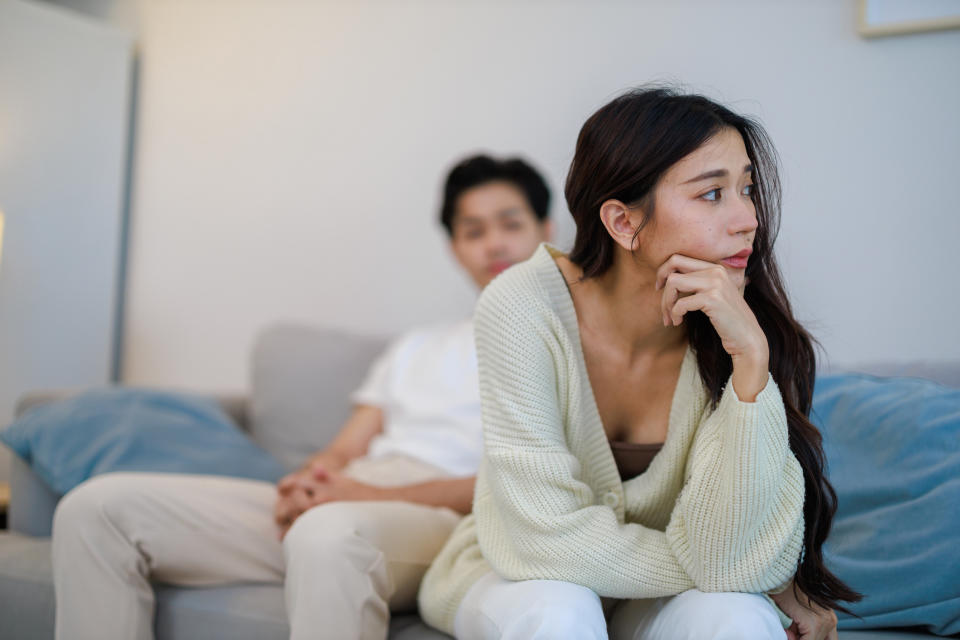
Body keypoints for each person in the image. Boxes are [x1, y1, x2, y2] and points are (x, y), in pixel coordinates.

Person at [418, 88, 862, 640]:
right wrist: (734, 570)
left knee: (738, 617)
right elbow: (542, 534)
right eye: (712, 194)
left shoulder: (745, 328)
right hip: (520, 579)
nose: (748, 218)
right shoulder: (520, 306)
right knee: (563, 612)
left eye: (748, 189)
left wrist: (750, 362)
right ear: (623, 223)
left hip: (651, 594)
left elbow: (731, 554)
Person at [50, 154, 552, 640]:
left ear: (545, 231)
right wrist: (309, 481)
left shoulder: (565, 344)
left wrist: (362, 498)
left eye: (510, 224)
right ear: (454, 249)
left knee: (327, 535)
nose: (494, 245)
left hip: (443, 519)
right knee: (96, 510)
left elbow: (521, 485)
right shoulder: (417, 346)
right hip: (353, 497)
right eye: (473, 231)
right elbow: (343, 450)